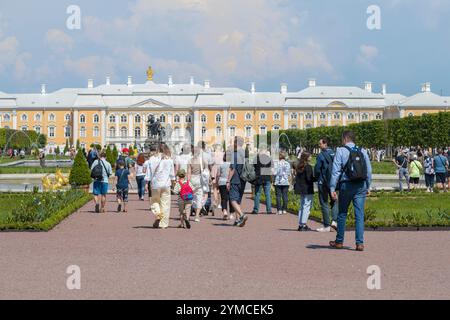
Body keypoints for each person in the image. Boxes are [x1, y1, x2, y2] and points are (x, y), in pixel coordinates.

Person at [329, 131, 372, 252]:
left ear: (345, 139)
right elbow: (368, 170)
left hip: (346, 185)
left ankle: (339, 241)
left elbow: (336, 171)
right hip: (360, 185)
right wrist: (368, 186)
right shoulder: (362, 151)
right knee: (359, 215)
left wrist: (332, 188)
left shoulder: (341, 150)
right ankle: (359, 243)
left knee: (342, 213)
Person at [314, 137, 338, 232]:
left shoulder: (321, 155)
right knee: (335, 200)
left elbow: (317, 169)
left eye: (320, 144)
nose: (319, 145)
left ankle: (327, 225)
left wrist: (316, 178)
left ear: (325, 144)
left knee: (324, 203)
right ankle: (334, 221)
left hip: (323, 182)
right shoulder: (334, 153)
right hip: (334, 181)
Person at [149, 144, 175, 229]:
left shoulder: (152, 159)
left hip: (155, 184)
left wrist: (147, 182)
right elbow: (172, 175)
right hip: (166, 184)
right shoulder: (169, 160)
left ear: (157, 149)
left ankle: (158, 213)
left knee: (154, 201)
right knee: (166, 204)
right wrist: (173, 183)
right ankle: (163, 224)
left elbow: (149, 174)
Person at [226, 136, 249, 227]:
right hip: (243, 178)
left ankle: (242, 215)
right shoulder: (245, 153)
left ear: (236, 143)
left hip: (235, 179)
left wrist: (228, 180)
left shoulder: (235, 153)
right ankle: (237, 219)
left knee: (232, 199)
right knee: (238, 200)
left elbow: (232, 168)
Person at [294, 152, 315, 231]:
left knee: (302, 206)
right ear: (306, 157)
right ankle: (303, 224)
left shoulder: (299, 166)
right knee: (307, 206)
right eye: (310, 156)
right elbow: (309, 179)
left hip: (301, 189)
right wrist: (317, 178)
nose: (311, 157)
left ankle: (300, 224)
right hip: (307, 189)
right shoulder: (308, 167)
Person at [188, 146, 207, 222]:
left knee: (191, 198)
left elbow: (189, 172)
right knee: (199, 197)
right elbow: (206, 171)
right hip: (199, 179)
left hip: (192, 179)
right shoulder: (202, 160)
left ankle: (188, 213)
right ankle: (197, 216)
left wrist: (188, 182)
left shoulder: (190, 160)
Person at [252, 147, 273, 215]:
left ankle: (256, 210)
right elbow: (271, 168)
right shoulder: (269, 159)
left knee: (257, 194)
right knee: (267, 194)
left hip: (259, 178)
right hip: (267, 177)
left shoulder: (256, 159)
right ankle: (269, 210)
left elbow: (253, 167)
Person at [273, 151, 291, 215]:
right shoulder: (287, 163)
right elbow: (289, 174)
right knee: (285, 196)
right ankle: (284, 209)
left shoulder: (276, 163)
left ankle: (279, 210)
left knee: (278, 196)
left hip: (278, 181)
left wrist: (273, 179)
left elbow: (274, 173)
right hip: (286, 182)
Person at [217, 151, 231, 220]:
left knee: (223, 198)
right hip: (230, 182)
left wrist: (217, 183)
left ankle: (225, 211)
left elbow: (218, 175)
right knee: (231, 198)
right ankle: (231, 214)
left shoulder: (221, 165)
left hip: (221, 182)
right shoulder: (232, 165)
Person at [211, 144, 225, 210]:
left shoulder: (213, 154)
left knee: (215, 188)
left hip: (214, 169)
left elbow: (211, 163)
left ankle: (215, 202)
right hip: (221, 169)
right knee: (221, 188)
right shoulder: (223, 153)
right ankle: (220, 203)